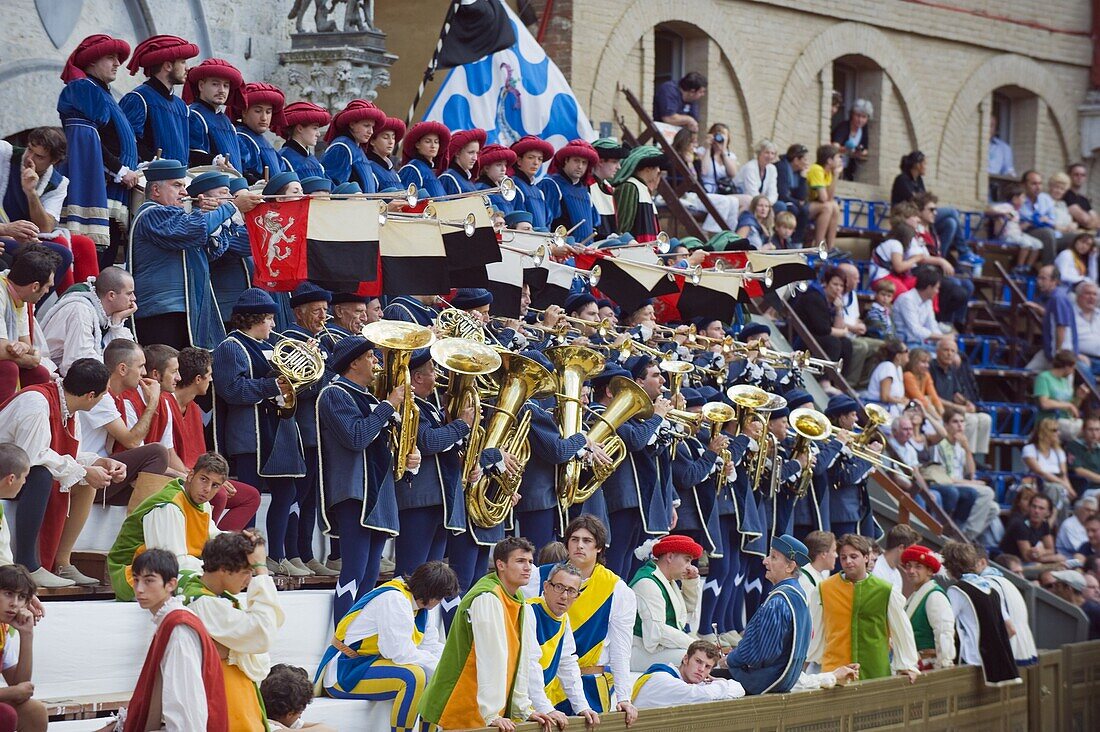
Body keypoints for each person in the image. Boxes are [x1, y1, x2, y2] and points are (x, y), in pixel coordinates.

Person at [316, 335, 420, 621]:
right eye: (371, 357)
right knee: (354, 570)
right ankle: (342, 641)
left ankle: (360, 637)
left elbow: (383, 445)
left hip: (377, 491)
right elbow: (356, 437)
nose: (377, 362)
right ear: (353, 362)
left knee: (371, 574)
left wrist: (410, 461)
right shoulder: (334, 393)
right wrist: (388, 407)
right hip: (355, 490)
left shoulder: (369, 398)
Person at [55, 339, 173, 586]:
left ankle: (146, 547)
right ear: (122, 369)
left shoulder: (117, 398)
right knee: (157, 454)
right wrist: (153, 400)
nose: (144, 373)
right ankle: (135, 540)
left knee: (167, 492)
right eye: (140, 366)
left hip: (100, 472)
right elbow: (132, 441)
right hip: (79, 474)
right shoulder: (103, 396)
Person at [0, 358, 125, 588]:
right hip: (8, 471)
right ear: (90, 395)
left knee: (85, 482)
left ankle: (62, 562)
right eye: (103, 394)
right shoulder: (37, 403)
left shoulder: (67, 406)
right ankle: (28, 564)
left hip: (15, 470)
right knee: (41, 475)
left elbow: (69, 453)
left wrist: (99, 462)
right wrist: (83, 470)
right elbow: (32, 457)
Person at [212, 288, 307, 576]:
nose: (274, 326)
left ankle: (276, 555)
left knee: (286, 492)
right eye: (269, 319)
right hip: (249, 436)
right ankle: (248, 560)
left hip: (277, 431)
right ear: (255, 319)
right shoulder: (231, 346)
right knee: (252, 497)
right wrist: (271, 386)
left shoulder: (268, 345)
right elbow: (231, 390)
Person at [419, 537, 555, 732]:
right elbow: (492, 657)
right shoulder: (487, 597)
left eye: (530, 562)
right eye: (520, 561)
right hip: (458, 706)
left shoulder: (517, 599)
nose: (528, 568)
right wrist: (491, 714)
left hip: (481, 710)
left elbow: (520, 659)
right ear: (500, 564)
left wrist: (523, 709)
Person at [129, 158, 260, 350]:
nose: (184, 192)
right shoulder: (151, 213)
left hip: (183, 309)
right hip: (162, 311)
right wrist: (231, 207)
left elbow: (213, 251)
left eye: (183, 185)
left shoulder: (179, 218)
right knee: (166, 372)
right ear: (156, 190)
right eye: (177, 185)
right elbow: (193, 229)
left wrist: (210, 214)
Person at [523, 515, 638, 722]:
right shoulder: (540, 577)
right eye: (574, 539)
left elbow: (621, 649)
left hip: (590, 685)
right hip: (543, 681)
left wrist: (624, 697)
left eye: (587, 541)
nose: (579, 546)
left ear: (599, 547)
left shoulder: (617, 589)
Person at [316, 561, 454, 730]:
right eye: (440, 597)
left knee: (439, 672)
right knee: (413, 676)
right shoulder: (394, 599)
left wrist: (449, 665)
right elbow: (398, 653)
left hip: (370, 664)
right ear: (431, 594)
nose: (440, 602)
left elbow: (430, 645)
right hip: (347, 669)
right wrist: (439, 667)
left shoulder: (421, 606)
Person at [178, 531, 285, 732]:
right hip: (224, 695)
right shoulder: (204, 603)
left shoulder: (210, 594)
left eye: (252, 572)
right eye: (246, 572)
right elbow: (262, 633)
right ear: (224, 569)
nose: (249, 579)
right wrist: (262, 570)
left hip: (234, 691)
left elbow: (263, 631)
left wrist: (234, 650)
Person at [727, 534, 860, 693]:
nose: (765, 561)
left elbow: (760, 655)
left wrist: (730, 659)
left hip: (762, 685)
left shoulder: (778, 602)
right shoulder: (798, 594)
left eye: (773, 557)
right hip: (785, 682)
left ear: (790, 567)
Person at [122, 549, 227, 731]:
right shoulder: (169, 621)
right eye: (136, 579)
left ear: (171, 584)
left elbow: (185, 703)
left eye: (149, 581)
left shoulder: (179, 629)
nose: (139, 589)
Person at [57, 33, 139, 262]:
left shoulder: (102, 92)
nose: (117, 64)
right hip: (99, 187)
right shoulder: (84, 90)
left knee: (107, 258)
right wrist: (120, 170)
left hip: (114, 189)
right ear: (91, 61)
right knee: (94, 260)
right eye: (110, 58)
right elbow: (87, 142)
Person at [107, 451, 227, 601]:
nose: (207, 489)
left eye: (215, 485)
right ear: (190, 475)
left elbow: (215, 539)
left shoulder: (203, 505)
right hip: (135, 576)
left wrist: (240, 546)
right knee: (204, 591)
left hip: (166, 573)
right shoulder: (167, 505)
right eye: (203, 479)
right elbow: (171, 562)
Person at [165, 347, 260, 532]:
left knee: (251, 496)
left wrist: (216, 478)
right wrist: (209, 479)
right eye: (209, 374)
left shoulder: (193, 408)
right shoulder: (166, 402)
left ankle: (217, 545)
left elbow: (201, 454)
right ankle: (202, 548)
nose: (212, 379)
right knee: (219, 494)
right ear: (198, 379)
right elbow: (166, 453)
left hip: (199, 473)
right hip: (176, 474)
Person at [809, 533, 920, 681]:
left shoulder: (885, 591)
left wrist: (907, 665)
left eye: (853, 556)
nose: (848, 561)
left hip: (875, 672)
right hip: (835, 673)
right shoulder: (824, 589)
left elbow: (901, 629)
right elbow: (815, 630)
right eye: (843, 557)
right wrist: (810, 659)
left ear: (866, 557)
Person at [602, 355, 675, 578]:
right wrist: (658, 418)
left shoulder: (635, 417)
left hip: (636, 500)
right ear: (609, 392)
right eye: (655, 375)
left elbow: (651, 451)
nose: (662, 380)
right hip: (622, 497)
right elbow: (635, 441)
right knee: (616, 564)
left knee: (626, 565)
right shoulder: (609, 413)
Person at [522, 562, 600, 726]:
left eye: (571, 591)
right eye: (559, 587)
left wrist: (582, 706)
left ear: (577, 596)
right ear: (546, 586)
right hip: (518, 706)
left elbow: (568, 664)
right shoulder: (529, 611)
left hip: (536, 707)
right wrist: (546, 708)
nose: (564, 596)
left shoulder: (563, 619)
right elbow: (529, 665)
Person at [941, 541, 1022, 686]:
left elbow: (945, 627)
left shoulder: (956, 590)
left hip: (970, 660)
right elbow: (1011, 629)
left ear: (950, 567)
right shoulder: (992, 589)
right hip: (994, 665)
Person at [39, 265, 135, 376]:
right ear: (111, 295)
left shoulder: (105, 313)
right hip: (52, 377)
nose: (133, 298)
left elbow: (123, 356)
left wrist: (116, 324)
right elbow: (79, 364)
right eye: (129, 293)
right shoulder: (80, 311)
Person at [120, 35, 199, 165]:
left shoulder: (182, 107)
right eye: (183, 62)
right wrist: (155, 163)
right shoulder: (139, 98)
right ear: (168, 66)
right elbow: (128, 142)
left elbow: (187, 152)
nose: (187, 68)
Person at [629, 534, 703, 671]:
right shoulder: (647, 582)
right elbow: (657, 633)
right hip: (637, 652)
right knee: (697, 661)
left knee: (702, 659)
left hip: (654, 650)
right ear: (669, 557)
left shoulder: (667, 579)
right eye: (687, 560)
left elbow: (684, 611)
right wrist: (696, 645)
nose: (690, 567)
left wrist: (690, 583)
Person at [0, 246, 60, 402]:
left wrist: (28, 351)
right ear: (35, 286)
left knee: (39, 373)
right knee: (8, 368)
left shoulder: (21, 297)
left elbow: (27, 345)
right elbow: (1, 349)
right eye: (47, 286)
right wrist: (31, 358)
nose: (47, 291)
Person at [935, 406, 999, 540]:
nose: (960, 425)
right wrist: (970, 482)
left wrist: (967, 449)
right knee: (987, 492)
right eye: (955, 422)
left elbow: (971, 472)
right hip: (947, 484)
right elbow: (943, 476)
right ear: (946, 425)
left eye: (962, 421)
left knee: (993, 508)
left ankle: (963, 536)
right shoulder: (940, 444)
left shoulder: (960, 445)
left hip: (961, 483)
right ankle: (963, 535)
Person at [930, 336, 992, 463]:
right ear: (937, 351)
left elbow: (956, 393)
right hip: (939, 410)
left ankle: (974, 457)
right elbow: (932, 397)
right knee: (971, 420)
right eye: (946, 350)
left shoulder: (952, 369)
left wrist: (966, 403)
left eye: (953, 351)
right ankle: (966, 456)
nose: (949, 354)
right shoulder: (931, 368)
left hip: (952, 410)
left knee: (986, 419)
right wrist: (958, 407)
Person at [0, 565, 47, 732]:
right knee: (5, 714)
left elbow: (21, 686)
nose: (14, 603)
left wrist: (27, 635)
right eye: (8, 594)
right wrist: (11, 692)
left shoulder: (2, 631)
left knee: (35, 712)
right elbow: (16, 690)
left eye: (21, 597)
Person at [631, 640, 745, 708]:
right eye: (698, 661)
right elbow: (701, 694)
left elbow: (739, 688)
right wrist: (722, 683)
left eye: (707, 667)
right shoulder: (662, 678)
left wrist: (718, 685)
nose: (701, 669)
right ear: (686, 659)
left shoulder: (687, 682)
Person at [900, 544, 955, 671]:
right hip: (916, 664)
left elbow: (944, 633)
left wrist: (944, 665)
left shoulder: (935, 596)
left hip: (929, 665)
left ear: (930, 571)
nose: (911, 571)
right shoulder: (915, 595)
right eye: (908, 566)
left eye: (918, 566)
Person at [184, 57, 245, 171]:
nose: (222, 90)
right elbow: (193, 155)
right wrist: (215, 161)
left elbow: (236, 165)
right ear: (201, 86)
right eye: (215, 84)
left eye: (226, 85)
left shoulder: (227, 121)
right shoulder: (194, 115)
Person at [790, 266, 853, 370]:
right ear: (826, 283)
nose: (838, 288)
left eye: (841, 286)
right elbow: (823, 329)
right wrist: (843, 332)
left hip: (816, 335)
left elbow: (838, 327)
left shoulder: (834, 302)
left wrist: (839, 310)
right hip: (800, 336)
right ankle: (825, 381)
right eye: (835, 284)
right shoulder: (814, 296)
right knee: (833, 343)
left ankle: (838, 380)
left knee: (846, 343)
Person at [540, 139, 600, 244]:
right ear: (566, 160)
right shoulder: (551, 185)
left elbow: (594, 226)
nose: (580, 166)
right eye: (576, 161)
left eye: (584, 162)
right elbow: (545, 223)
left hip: (585, 252)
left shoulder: (585, 191)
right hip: (562, 253)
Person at [233, 82, 290, 183]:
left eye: (268, 112)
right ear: (244, 112)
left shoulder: (264, 142)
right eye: (258, 111)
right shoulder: (240, 138)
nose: (264, 118)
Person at [321, 99, 385, 191]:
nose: (371, 131)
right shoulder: (342, 147)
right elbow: (334, 187)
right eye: (366, 125)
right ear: (352, 124)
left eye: (372, 127)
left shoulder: (358, 148)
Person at [611, 145, 666, 243]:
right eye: (656, 167)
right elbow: (622, 228)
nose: (658, 170)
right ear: (647, 168)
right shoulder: (630, 187)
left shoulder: (642, 188)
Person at [986, 182, 1044, 272]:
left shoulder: (1017, 211)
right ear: (1015, 199)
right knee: (1026, 243)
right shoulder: (1006, 207)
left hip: (1017, 235)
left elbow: (1014, 226)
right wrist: (1003, 213)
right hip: (1006, 236)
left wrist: (1025, 225)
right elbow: (989, 210)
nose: (1024, 200)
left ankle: (1027, 266)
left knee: (1038, 244)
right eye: (1023, 197)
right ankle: (1019, 266)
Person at [1022, 416, 1076, 513]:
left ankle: (1058, 526)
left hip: (1058, 483)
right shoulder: (1030, 449)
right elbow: (1040, 472)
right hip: (1039, 483)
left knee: (1066, 500)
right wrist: (1064, 485)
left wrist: (1070, 489)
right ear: (1045, 432)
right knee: (1056, 489)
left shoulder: (1059, 452)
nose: (1058, 433)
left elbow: (1064, 475)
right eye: (1054, 430)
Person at [1035, 350, 1087, 443]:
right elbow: (1044, 403)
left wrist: (1079, 397)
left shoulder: (1065, 382)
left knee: (1090, 431)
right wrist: (1068, 405)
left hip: (1065, 423)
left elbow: (1071, 411)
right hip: (1048, 422)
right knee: (1087, 432)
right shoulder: (1044, 377)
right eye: (1073, 368)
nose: (1073, 371)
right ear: (1066, 367)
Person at [999, 492, 1065, 565]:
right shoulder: (1020, 525)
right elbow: (1027, 557)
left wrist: (1042, 552)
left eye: (1041, 508)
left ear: (1048, 513)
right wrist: (1053, 558)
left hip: (1030, 561)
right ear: (1029, 508)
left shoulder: (1044, 524)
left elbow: (1051, 550)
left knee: (1061, 564)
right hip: (1010, 563)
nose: (1036, 511)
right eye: (1034, 506)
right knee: (1057, 561)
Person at [263, 665, 335, 730]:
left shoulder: (282, 720)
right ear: (290, 714)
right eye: (300, 713)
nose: (299, 717)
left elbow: (329, 729)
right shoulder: (270, 726)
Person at [507, 135, 554, 230]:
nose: (536, 163)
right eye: (531, 157)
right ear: (519, 161)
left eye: (540, 159)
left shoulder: (539, 192)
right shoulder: (513, 187)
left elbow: (547, 222)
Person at [893, 267, 945, 347]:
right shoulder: (907, 299)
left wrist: (942, 341)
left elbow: (932, 325)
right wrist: (942, 337)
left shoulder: (928, 301)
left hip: (921, 342)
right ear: (929, 287)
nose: (937, 292)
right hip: (905, 343)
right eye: (936, 288)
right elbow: (915, 330)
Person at [399, 121, 450, 199]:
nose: (433, 146)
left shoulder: (431, 172)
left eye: (436, 142)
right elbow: (407, 202)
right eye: (428, 141)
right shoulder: (413, 168)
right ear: (417, 144)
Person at [805, 144, 842, 251]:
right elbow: (823, 198)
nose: (840, 160)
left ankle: (830, 248)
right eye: (838, 157)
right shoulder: (817, 169)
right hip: (804, 205)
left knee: (834, 206)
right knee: (827, 207)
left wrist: (835, 175)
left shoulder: (829, 172)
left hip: (815, 204)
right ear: (829, 161)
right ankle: (819, 247)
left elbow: (829, 198)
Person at [732, 140, 782, 213]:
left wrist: (768, 203)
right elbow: (751, 192)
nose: (770, 156)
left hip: (763, 202)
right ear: (759, 153)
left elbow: (773, 192)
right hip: (745, 198)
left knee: (780, 206)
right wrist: (764, 204)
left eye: (773, 153)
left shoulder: (772, 169)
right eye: (767, 152)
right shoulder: (750, 167)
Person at [863, 339, 909, 416]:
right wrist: (901, 401)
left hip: (892, 409)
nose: (909, 352)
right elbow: (884, 397)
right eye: (906, 351)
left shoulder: (898, 368)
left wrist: (903, 400)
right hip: (879, 410)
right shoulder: (887, 367)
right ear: (898, 356)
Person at [830, 98, 872, 181]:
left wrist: (860, 152)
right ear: (852, 114)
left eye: (864, 117)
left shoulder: (863, 130)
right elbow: (834, 146)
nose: (860, 120)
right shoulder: (844, 126)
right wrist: (846, 149)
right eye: (858, 116)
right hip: (834, 167)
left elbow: (866, 149)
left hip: (848, 170)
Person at [776, 143, 810, 241]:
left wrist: (803, 177)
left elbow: (801, 196)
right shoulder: (782, 168)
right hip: (779, 200)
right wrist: (798, 203)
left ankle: (797, 243)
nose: (807, 163)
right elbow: (782, 194)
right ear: (796, 160)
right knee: (794, 209)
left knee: (804, 210)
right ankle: (787, 240)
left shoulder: (798, 172)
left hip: (789, 200)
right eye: (805, 159)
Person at [871, 524, 919, 593]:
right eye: (911, 551)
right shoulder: (875, 568)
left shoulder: (897, 575)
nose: (912, 556)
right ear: (901, 548)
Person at [439, 127, 486, 197]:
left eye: (477, 153)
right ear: (457, 153)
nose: (475, 158)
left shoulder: (467, 180)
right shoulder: (448, 178)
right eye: (471, 152)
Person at [475, 143, 518, 216]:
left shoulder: (503, 191)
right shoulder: (480, 189)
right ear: (486, 168)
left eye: (505, 165)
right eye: (498, 165)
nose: (503, 169)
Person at [367, 117, 406, 191]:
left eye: (393, 137)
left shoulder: (394, 172)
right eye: (385, 137)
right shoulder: (369, 167)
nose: (391, 142)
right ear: (372, 141)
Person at [1067, 419, 1100, 500]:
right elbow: (1078, 471)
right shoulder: (1074, 446)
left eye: (1097, 430)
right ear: (1083, 430)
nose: (1094, 434)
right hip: (1086, 488)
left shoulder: (1098, 448)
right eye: (1090, 429)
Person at [1065, 162, 1100, 230]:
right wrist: (1092, 222)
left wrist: (1092, 222)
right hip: (1074, 236)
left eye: (1082, 175)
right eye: (1076, 174)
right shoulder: (1067, 195)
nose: (1079, 177)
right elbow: (1084, 220)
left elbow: (1098, 221)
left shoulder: (1084, 199)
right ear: (1069, 176)